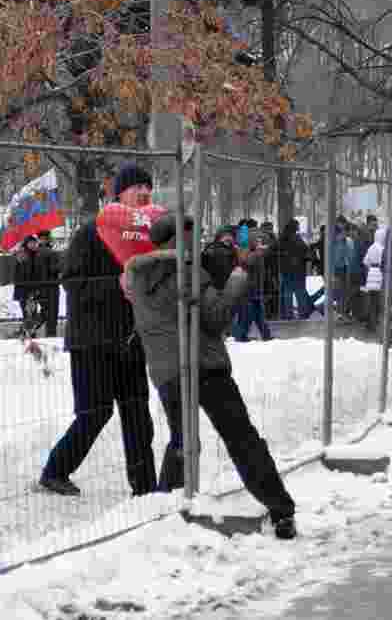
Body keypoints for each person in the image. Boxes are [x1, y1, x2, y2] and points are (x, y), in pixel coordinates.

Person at [123, 213, 296, 539]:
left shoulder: (138, 277)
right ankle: (280, 509)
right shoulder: (188, 270)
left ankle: (168, 512)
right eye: (194, 235)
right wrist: (238, 277)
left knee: (182, 442)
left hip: (167, 372)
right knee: (241, 438)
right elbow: (216, 316)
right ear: (181, 239)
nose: (199, 242)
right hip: (205, 366)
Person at [38, 164, 157, 497]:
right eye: (137, 187)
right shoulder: (92, 231)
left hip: (131, 339)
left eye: (148, 187)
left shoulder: (148, 234)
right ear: (119, 194)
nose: (144, 192)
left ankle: (145, 489)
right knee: (95, 412)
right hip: (91, 340)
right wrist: (115, 284)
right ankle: (55, 471)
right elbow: (71, 282)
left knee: (137, 413)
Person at [230, 229, 274, 342]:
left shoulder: (253, 252)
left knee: (256, 311)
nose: (261, 244)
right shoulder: (249, 252)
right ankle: (242, 335)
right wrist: (257, 253)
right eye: (258, 241)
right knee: (249, 313)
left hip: (254, 286)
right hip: (249, 287)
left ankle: (265, 334)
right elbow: (246, 263)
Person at [275, 219, 313, 320]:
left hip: (286, 270)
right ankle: (302, 313)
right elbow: (306, 251)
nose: (299, 228)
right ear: (295, 227)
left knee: (288, 293)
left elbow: (275, 250)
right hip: (298, 270)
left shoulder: (282, 239)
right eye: (298, 226)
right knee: (300, 292)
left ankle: (288, 314)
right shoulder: (297, 238)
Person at [361, 225, 388, 333]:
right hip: (380, 275)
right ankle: (379, 324)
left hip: (371, 275)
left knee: (372, 301)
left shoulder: (371, 247)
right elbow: (384, 263)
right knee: (380, 302)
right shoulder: (383, 248)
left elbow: (365, 262)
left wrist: (370, 270)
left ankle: (371, 324)